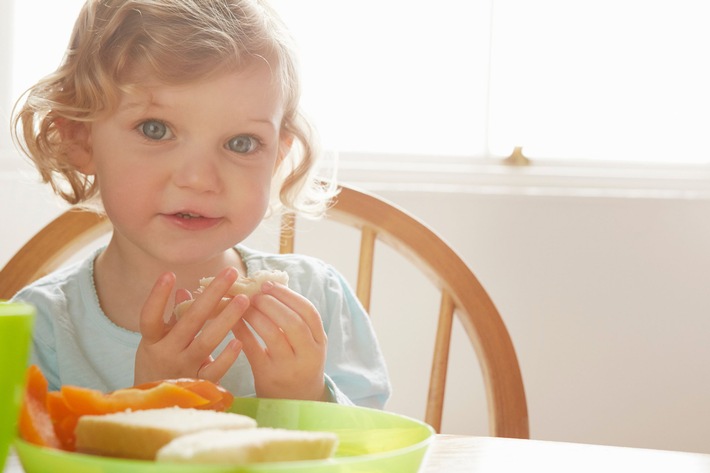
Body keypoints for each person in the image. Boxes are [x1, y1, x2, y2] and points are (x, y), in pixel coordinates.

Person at [11, 0, 390, 409]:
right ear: (80, 139)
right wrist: (147, 410)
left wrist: (306, 400)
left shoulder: (319, 299)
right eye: (155, 130)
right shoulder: (37, 327)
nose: (199, 179)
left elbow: (374, 449)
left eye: (241, 143)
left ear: (277, 157)